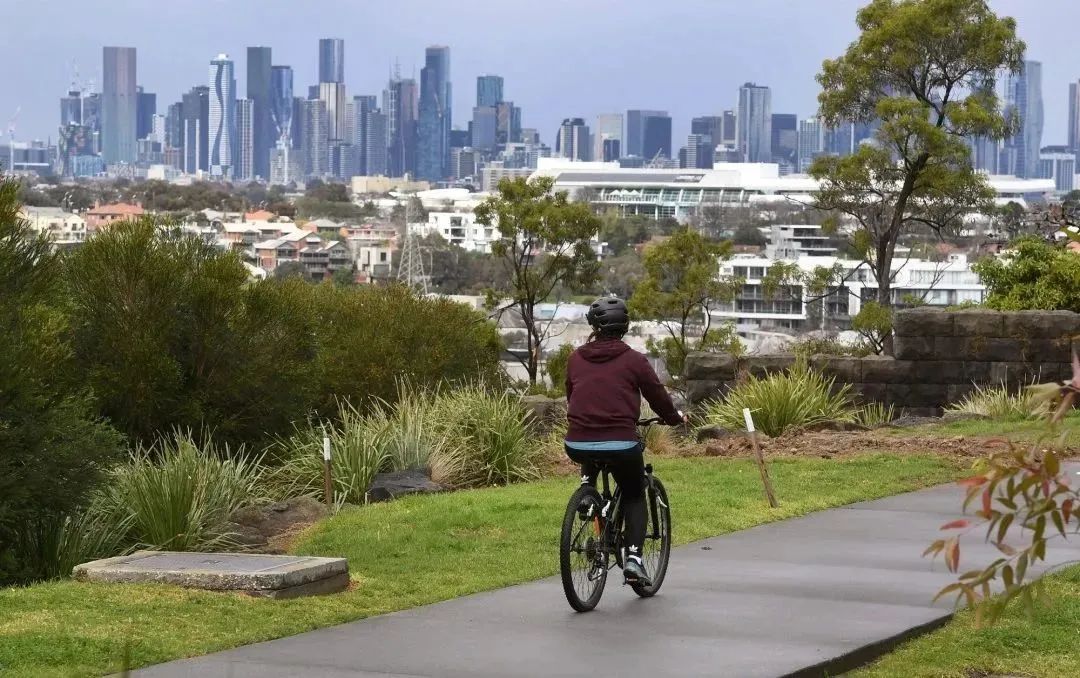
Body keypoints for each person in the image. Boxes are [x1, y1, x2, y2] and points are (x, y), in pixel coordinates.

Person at [564, 296, 684, 585]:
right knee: (634, 491)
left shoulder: (575, 358)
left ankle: (587, 493)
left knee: (591, 451)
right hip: (620, 442)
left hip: (577, 441)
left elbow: (573, 396)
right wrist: (674, 418)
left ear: (593, 326)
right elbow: (657, 396)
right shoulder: (634, 360)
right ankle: (633, 558)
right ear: (625, 327)